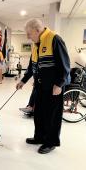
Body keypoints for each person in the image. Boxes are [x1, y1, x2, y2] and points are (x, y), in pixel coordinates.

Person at [16, 18, 71, 154]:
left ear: (37, 30)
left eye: (29, 33)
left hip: (54, 87)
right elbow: (31, 67)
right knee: (39, 113)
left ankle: (51, 142)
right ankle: (39, 137)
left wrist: (59, 84)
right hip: (40, 86)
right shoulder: (36, 44)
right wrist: (23, 81)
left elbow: (65, 65)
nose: (28, 37)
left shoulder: (55, 39)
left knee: (52, 116)